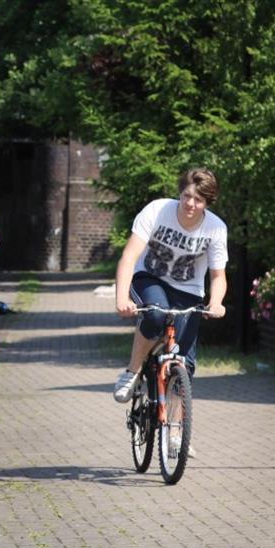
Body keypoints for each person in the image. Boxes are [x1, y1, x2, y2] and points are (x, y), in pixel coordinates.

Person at [112, 168, 228, 454]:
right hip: (150, 278)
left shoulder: (215, 228)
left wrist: (216, 302)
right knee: (155, 315)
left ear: (207, 203)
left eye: (199, 200)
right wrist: (121, 297)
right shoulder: (157, 211)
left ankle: (175, 432)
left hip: (188, 291)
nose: (191, 204)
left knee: (184, 366)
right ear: (180, 193)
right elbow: (129, 256)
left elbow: (218, 275)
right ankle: (133, 370)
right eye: (187, 196)